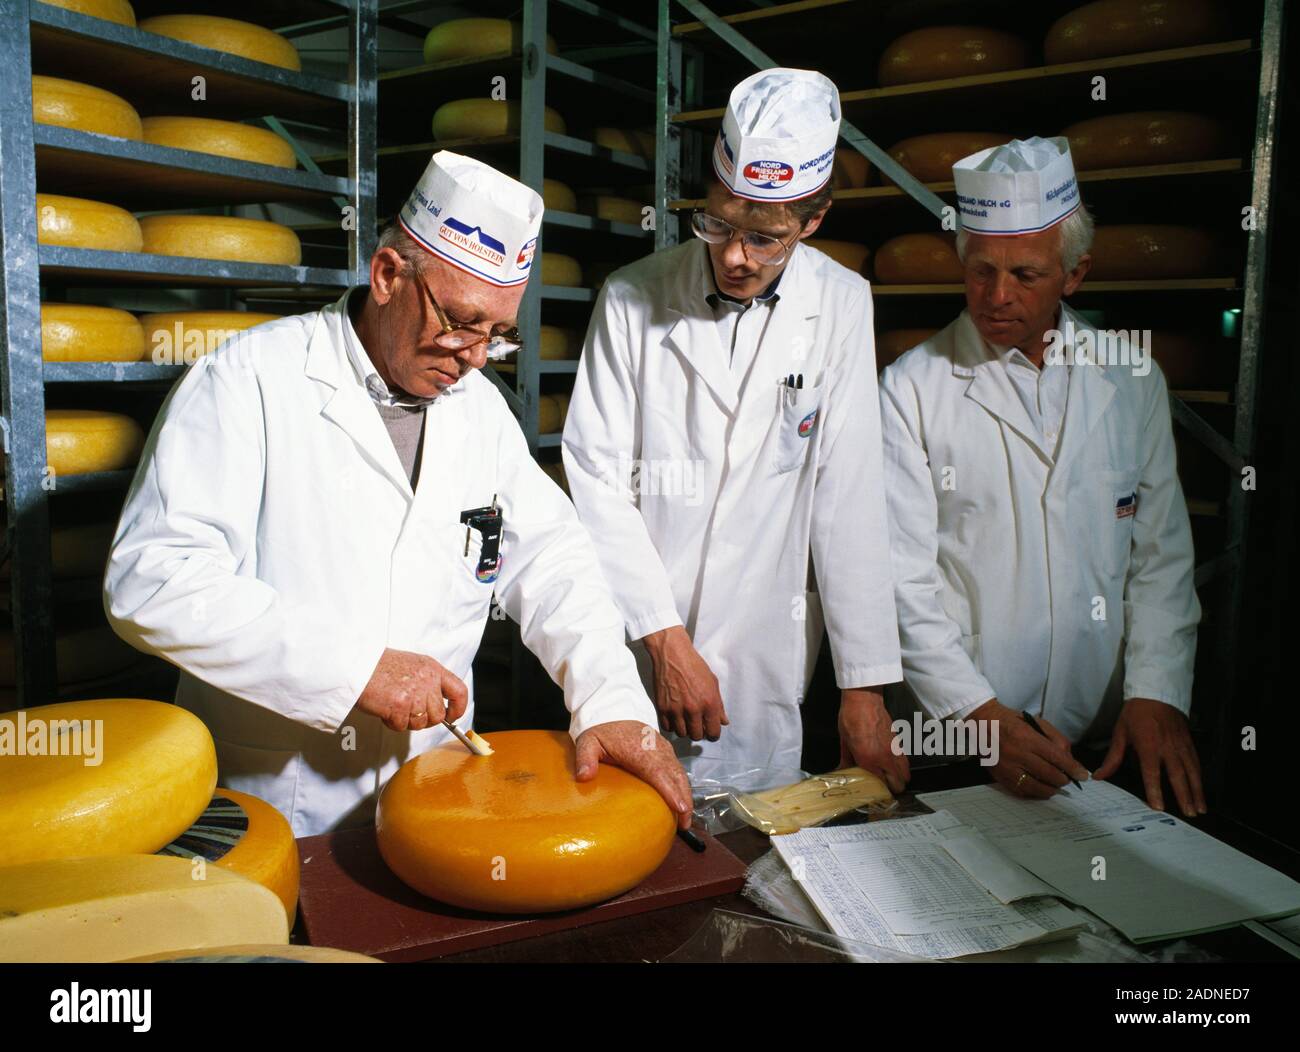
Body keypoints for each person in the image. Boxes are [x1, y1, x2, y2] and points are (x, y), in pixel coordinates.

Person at [104, 151, 691, 837]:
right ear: (387, 275)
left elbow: (553, 561)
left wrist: (612, 700)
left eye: (498, 335)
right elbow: (154, 580)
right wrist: (354, 670)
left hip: (436, 793)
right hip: (284, 797)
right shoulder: (248, 381)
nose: (475, 356)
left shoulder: (480, 410)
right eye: (461, 322)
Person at [562, 69, 903, 791]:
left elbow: (849, 500)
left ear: (813, 222)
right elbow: (594, 480)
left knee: (749, 846)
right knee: (629, 827)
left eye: (766, 237)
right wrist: (664, 635)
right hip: (635, 632)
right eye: (717, 224)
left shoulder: (842, 304)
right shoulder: (633, 296)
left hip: (763, 645)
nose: (736, 255)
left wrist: (865, 686)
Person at [879, 136, 1205, 815]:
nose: (997, 297)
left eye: (1025, 276)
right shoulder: (911, 389)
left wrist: (1157, 690)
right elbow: (898, 578)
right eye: (979, 272)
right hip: (961, 732)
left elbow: (1159, 556)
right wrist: (975, 714)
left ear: (1075, 275)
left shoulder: (1131, 377)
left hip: (1098, 736)